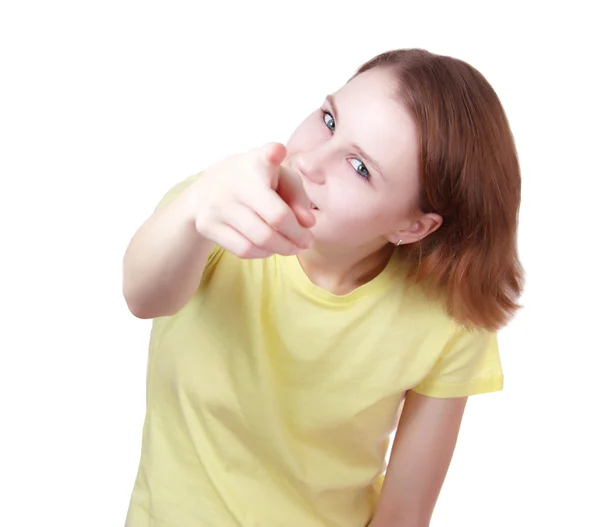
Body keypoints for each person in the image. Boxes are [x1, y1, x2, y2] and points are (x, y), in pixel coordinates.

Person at [122, 48, 523, 527]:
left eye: (360, 168)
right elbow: (142, 297)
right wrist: (195, 208)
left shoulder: (447, 319)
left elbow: (404, 514)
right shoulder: (221, 207)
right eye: (329, 119)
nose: (310, 160)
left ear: (413, 226)